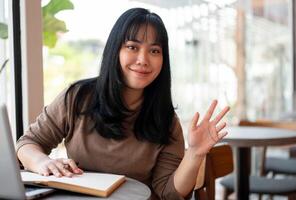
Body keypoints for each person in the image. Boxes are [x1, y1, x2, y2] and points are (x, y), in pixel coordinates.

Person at [16, 8, 230, 199]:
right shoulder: (77, 97)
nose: (143, 59)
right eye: (132, 47)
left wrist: (195, 153)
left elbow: (169, 193)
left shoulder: (165, 120)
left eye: (154, 51)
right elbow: (28, 144)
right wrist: (42, 162)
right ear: (115, 50)